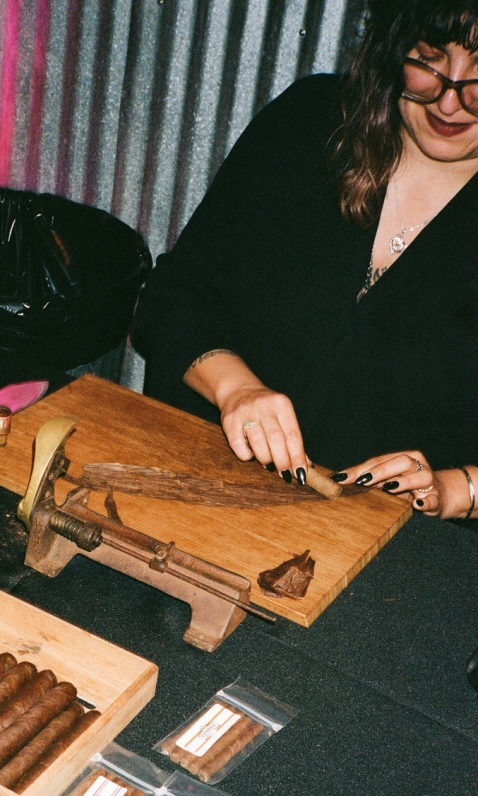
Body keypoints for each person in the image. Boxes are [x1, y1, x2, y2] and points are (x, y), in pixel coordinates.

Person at [135, 0, 478, 522]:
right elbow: (170, 299)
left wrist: (455, 491)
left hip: (378, 543)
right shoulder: (313, 120)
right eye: (429, 62)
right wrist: (235, 388)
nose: (449, 102)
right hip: (195, 484)